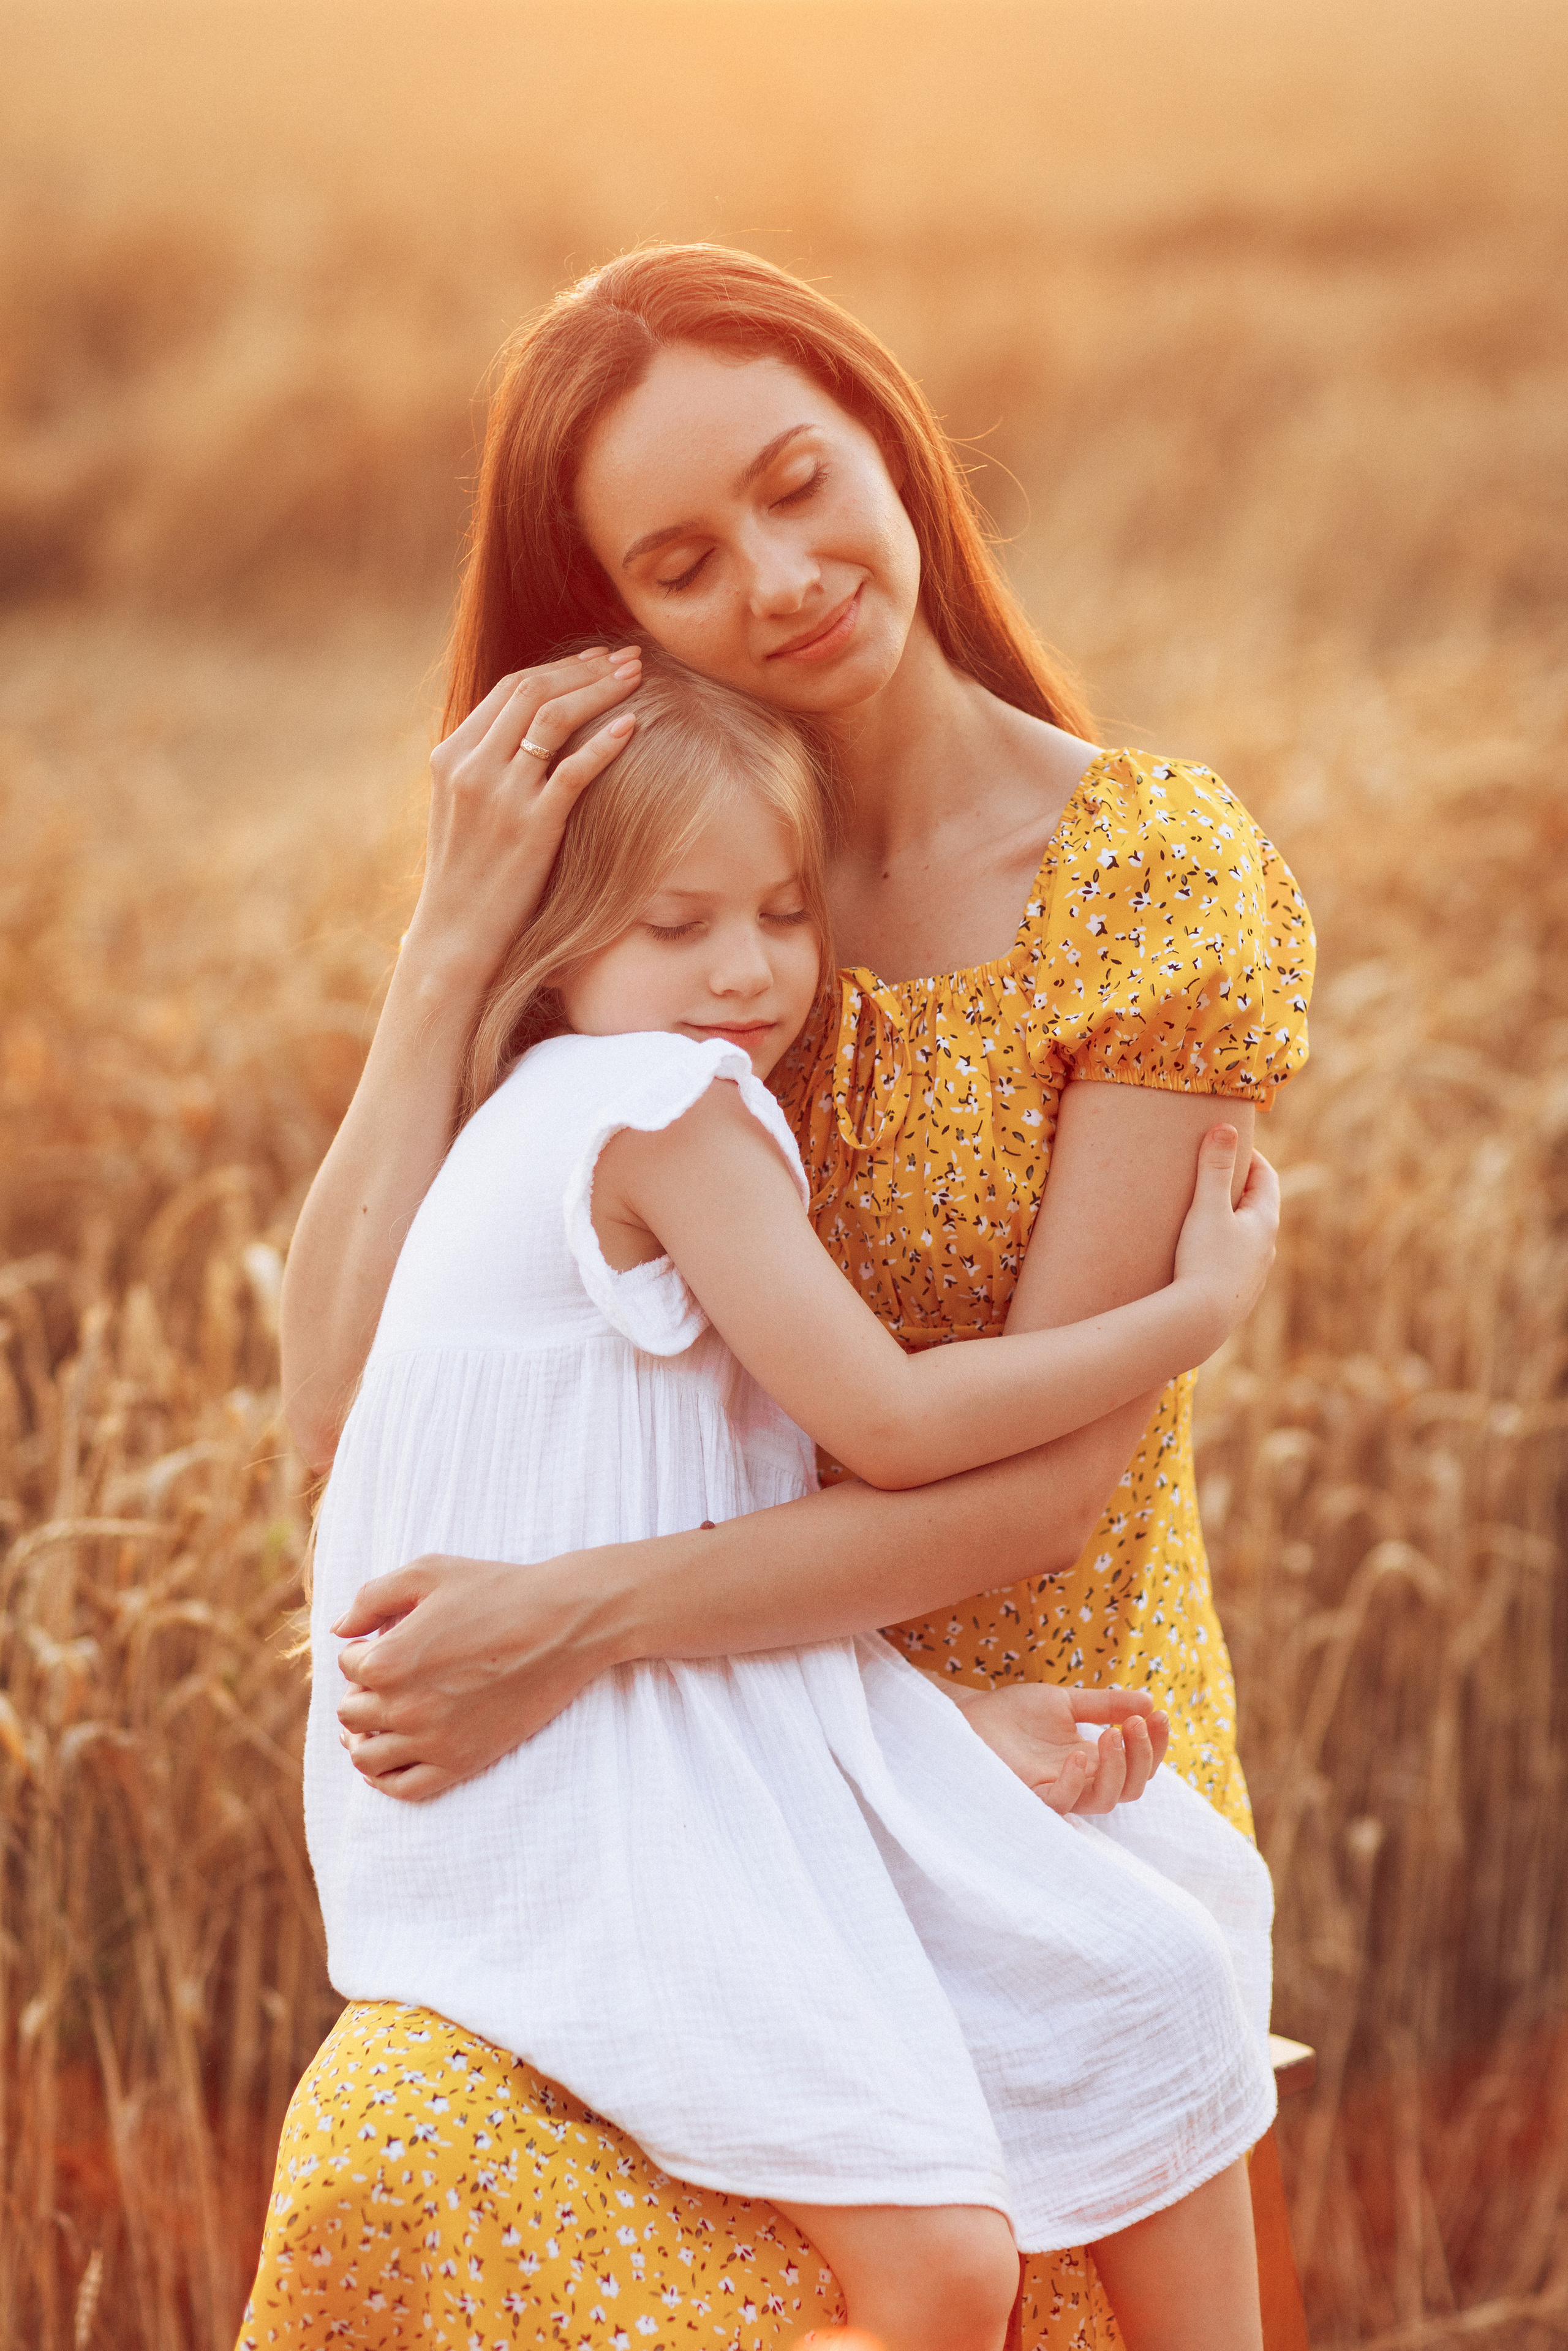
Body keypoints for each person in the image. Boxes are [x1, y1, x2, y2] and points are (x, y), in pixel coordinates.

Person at [242, 243, 1314, 2351]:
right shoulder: (651, 920)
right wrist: (450, 950)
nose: (783, 576)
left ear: (890, 444)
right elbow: (334, 1420)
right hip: (669, 1782)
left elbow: (1038, 1501)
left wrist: (569, 1618)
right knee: (384, 2157)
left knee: (1052, 2140)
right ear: (615, 631)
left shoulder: (1148, 881)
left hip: (1024, 1747)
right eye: (683, 562)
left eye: (800, 483)